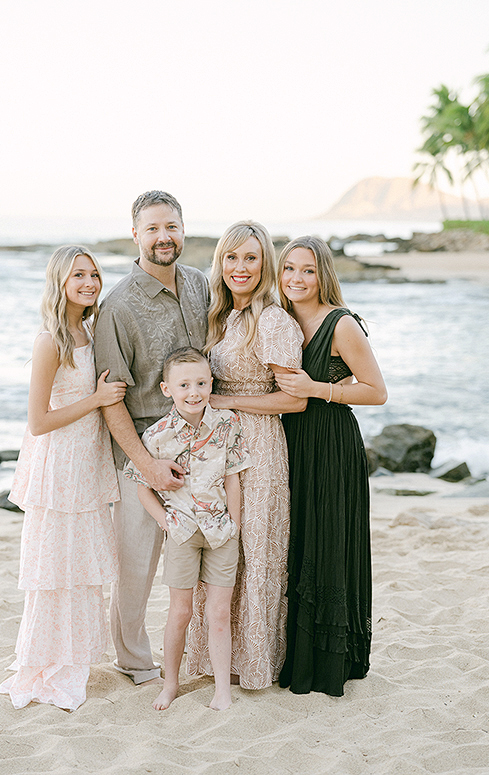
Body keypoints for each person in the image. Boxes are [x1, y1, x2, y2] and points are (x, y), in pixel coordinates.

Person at [0, 246, 126, 710]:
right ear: (60, 282)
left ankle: (74, 661)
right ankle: (45, 665)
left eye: (94, 274)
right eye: (79, 275)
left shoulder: (90, 331)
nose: (89, 283)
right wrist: (95, 399)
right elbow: (38, 421)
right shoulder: (50, 341)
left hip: (88, 464)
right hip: (58, 467)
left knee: (82, 572)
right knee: (55, 571)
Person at [92, 190, 211, 685]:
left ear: (183, 231)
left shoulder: (201, 285)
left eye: (173, 227)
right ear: (136, 235)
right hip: (142, 449)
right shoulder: (118, 306)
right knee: (137, 566)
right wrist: (146, 465)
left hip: (203, 444)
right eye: (153, 228)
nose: (164, 237)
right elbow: (111, 400)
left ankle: (201, 652)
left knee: (205, 550)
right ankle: (135, 660)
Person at [186, 220, 305, 690]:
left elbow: (294, 399)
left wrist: (230, 401)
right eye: (232, 257)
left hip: (258, 447)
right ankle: (217, 658)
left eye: (251, 258)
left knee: (255, 549)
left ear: (265, 265)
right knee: (219, 547)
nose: (240, 267)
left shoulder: (273, 320)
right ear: (221, 262)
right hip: (215, 447)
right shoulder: (216, 315)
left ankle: (253, 662)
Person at [273, 236, 386, 696]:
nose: (297, 279)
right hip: (291, 443)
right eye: (289, 269)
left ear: (323, 276)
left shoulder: (341, 325)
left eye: (308, 270)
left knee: (327, 541)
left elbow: (376, 391)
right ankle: (290, 656)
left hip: (331, 443)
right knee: (295, 541)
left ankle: (327, 664)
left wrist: (319, 388)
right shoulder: (276, 321)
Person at [127, 347, 249, 711]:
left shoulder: (227, 424)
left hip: (221, 533)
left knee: (218, 613)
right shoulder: (157, 435)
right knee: (180, 612)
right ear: (167, 389)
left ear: (211, 383)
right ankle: (170, 685)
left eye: (200, 383)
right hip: (182, 533)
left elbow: (233, 479)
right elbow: (141, 486)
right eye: (184, 385)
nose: (193, 392)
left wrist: (235, 524)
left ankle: (222, 690)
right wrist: (166, 522)